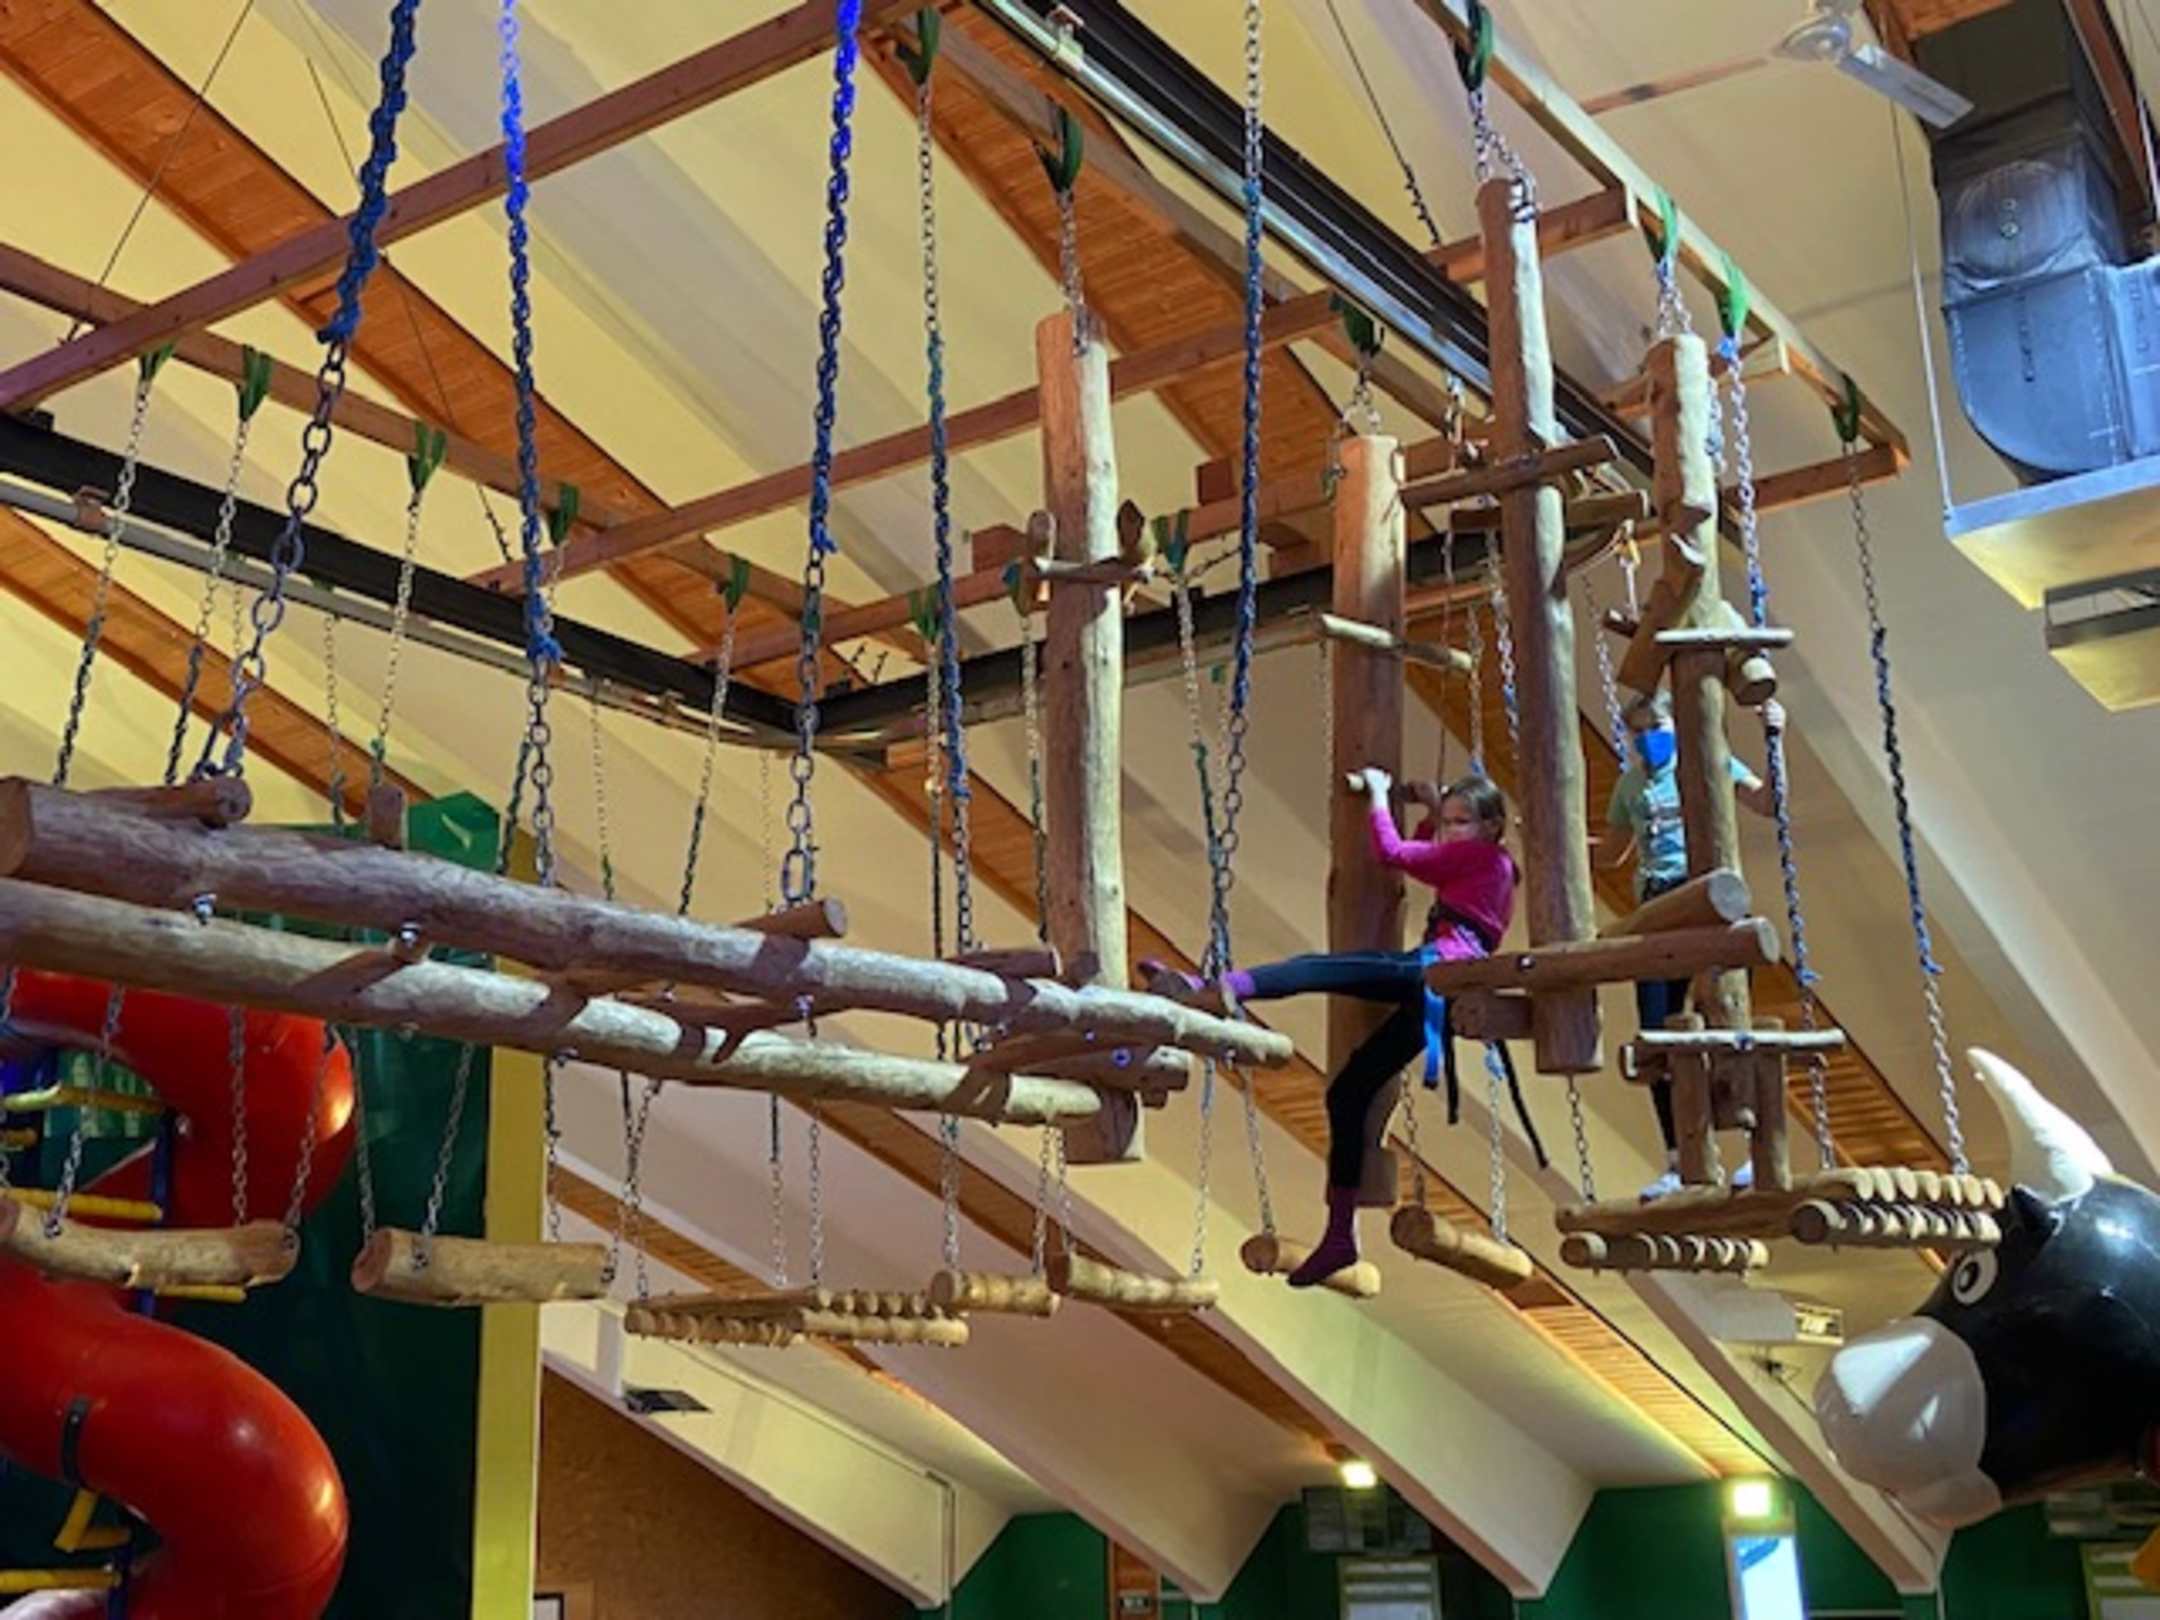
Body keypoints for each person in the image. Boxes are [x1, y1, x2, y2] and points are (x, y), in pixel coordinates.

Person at [1144, 769, 1517, 1286]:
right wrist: (1433, 812)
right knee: (1347, 1093)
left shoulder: (1480, 857)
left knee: (1318, 967)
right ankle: (1341, 1234)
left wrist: (1380, 795)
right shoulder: (1491, 863)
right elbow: (1430, 857)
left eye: (1461, 822)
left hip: (1434, 970)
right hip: (1445, 988)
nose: (1450, 830)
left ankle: (1212, 990)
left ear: (1492, 826)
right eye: (1448, 822)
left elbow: (1395, 853)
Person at [1604, 688, 1783, 1200]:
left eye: (1655, 727)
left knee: (1727, 1019)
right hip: (1656, 907)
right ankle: (1679, 1157)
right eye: (1638, 731)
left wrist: (1774, 738)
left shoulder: (1710, 762)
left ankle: (1752, 1145)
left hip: (1707, 895)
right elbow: (1613, 853)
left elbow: (1767, 803)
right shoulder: (1631, 785)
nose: (1647, 739)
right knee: (1658, 1034)